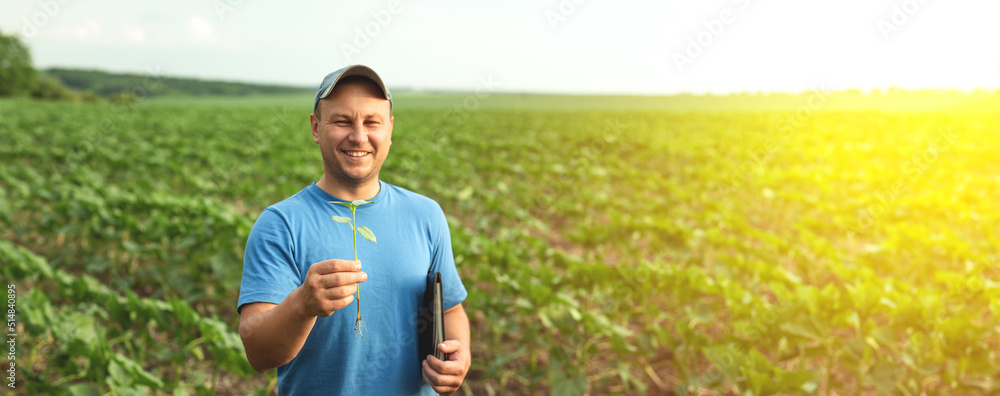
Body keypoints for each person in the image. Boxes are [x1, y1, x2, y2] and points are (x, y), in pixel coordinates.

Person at [237, 65, 470, 395]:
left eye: (372, 122)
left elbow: (451, 309)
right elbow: (259, 353)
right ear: (316, 127)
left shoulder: (426, 214)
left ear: (390, 128)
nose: (359, 136)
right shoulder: (280, 224)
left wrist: (459, 354)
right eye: (342, 121)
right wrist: (301, 306)